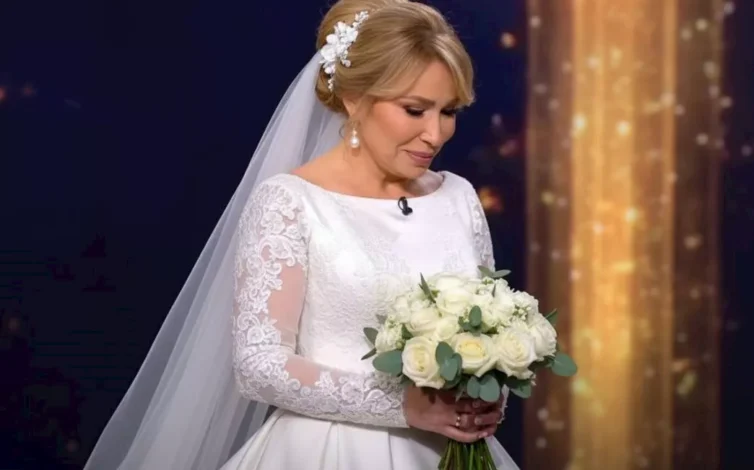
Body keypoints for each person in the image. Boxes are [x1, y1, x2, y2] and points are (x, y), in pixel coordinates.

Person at [85, 0, 522, 468]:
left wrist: (486, 389)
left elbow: (489, 327)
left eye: (449, 111)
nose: (435, 134)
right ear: (354, 99)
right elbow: (259, 365)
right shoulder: (290, 202)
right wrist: (402, 407)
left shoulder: (458, 197)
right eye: (414, 110)